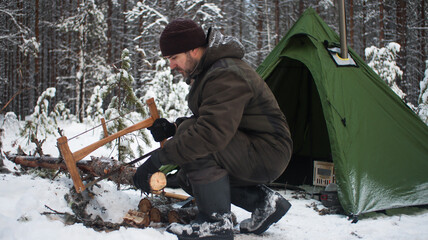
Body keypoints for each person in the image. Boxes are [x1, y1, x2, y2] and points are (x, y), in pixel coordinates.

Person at [133, 18, 293, 240]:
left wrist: (158, 159)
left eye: (174, 58)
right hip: (254, 147)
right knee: (187, 176)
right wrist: (174, 127)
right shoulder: (212, 70)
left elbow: (209, 134)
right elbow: (213, 117)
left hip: (268, 151)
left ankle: (214, 223)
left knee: (197, 143)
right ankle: (264, 203)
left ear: (194, 50)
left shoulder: (225, 72)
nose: (171, 66)